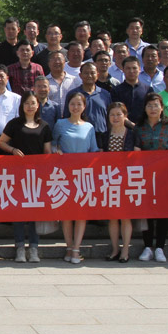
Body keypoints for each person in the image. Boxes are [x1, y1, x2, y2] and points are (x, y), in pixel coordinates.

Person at [0, 93, 52, 263]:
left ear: (38, 106)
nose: (30, 106)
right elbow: (1, 142)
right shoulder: (14, 124)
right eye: (27, 103)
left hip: (37, 175)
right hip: (18, 174)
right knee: (19, 212)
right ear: (22, 106)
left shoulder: (44, 126)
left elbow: (47, 151)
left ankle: (34, 248)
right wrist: (13, 150)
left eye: (33, 103)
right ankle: (20, 247)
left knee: (35, 211)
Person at [54, 90, 99, 264]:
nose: (75, 107)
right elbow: (52, 144)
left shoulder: (89, 127)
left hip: (83, 175)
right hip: (64, 175)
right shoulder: (60, 124)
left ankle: (76, 248)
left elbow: (93, 150)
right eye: (72, 104)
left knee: (81, 213)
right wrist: (56, 151)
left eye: (79, 104)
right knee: (66, 213)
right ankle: (68, 246)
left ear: (84, 106)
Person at [136, 92, 168, 262]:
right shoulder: (139, 128)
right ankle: (147, 246)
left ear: (162, 108)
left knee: (162, 211)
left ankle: (160, 247)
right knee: (146, 211)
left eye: (156, 105)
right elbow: (135, 152)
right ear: (145, 108)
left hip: (164, 176)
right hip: (144, 176)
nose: (153, 109)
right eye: (149, 105)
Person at [102, 101, 140, 262]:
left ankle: (125, 250)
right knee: (112, 217)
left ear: (125, 116)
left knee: (125, 216)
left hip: (127, 179)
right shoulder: (105, 135)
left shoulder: (132, 134)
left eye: (119, 114)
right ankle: (115, 249)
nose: (115, 118)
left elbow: (137, 156)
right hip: (110, 179)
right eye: (112, 115)